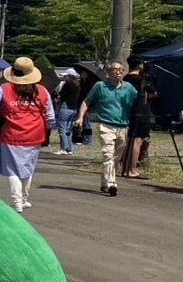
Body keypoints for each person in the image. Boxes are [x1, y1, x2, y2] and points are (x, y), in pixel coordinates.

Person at [0, 57, 54, 213]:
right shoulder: (42, 91)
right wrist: (47, 127)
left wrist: (0, 116)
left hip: (10, 133)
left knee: (12, 170)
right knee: (28, 168)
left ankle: (17, 201)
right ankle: (23, 199)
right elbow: (50, 115)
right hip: (35, 134)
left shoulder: (4, 89)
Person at [76, 60, 137, 197]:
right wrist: (80, 117)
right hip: (106, 125)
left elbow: (138, 100)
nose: (118, 72)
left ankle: (105, 181)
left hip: (123, 126)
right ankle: (111, 183)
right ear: (108, 72)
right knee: (108, 154)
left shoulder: (128, 88)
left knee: (116, 157)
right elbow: (86, 101)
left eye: (121, 69)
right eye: (115, 69)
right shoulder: (100, 86)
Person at [123, 57, 158, 178]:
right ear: (139, 65)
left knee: (129, 139)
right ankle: (132, 169)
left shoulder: (126, 78)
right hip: (142, 112)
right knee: (137, 140)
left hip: (129, 111)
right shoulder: (142, 79)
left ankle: (125, 168)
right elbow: (154, 93)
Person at [53, 70, 80, 155]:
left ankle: (64, 148)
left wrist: (57, 97)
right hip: (73, 109)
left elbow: (61, 96)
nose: (64, 78)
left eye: (65, 76)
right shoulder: (77, 85)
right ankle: (70, 148)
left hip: (65, 107)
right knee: (68, 129)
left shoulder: (67, 84)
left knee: (62, 129)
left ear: (69, 76)